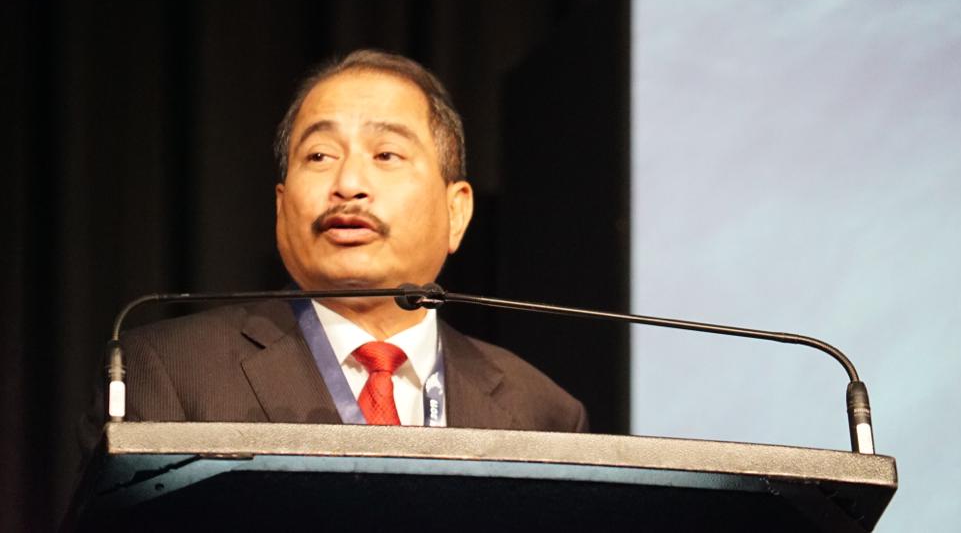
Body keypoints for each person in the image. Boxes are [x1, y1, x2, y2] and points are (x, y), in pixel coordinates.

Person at [79, 49, 586, 455]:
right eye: (320, 156)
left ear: (456, 212)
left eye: (386, 154)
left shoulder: (543, 413)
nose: (348, 184)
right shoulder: (163, 372)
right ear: (281, 208)